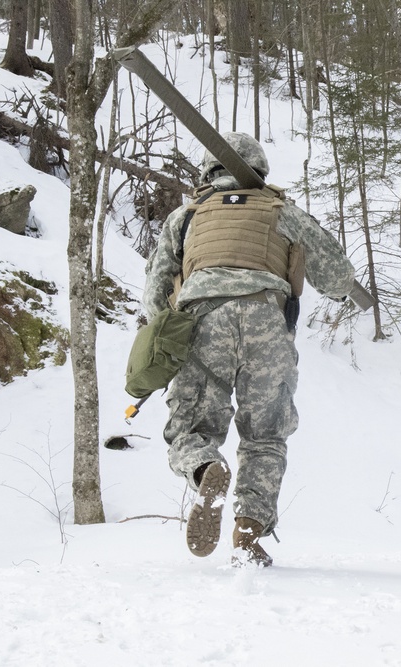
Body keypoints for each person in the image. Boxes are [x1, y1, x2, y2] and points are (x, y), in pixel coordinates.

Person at [143, 132, 355, 566]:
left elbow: (154, 298)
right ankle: (249, 532)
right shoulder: (284, 212)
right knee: (265, 437)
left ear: (207, 171)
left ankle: (205, 470)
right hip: (268, 323)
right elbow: (337, 278)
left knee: (190, 429)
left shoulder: (185, 217)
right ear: (260, 170)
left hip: (203, 324)